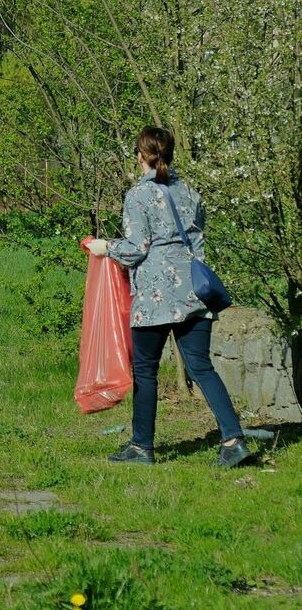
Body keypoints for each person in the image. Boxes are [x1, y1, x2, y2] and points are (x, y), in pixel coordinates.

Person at [87, 126, 250, 469]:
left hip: (155, 296)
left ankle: (141, 446)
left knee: (145, 371)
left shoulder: (138, 196)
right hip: (193, 290)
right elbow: (199, 243)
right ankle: (234, 439)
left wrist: (105, 248)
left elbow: (135, 250)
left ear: (142, 156)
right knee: (202, 367)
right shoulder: (190, 191)